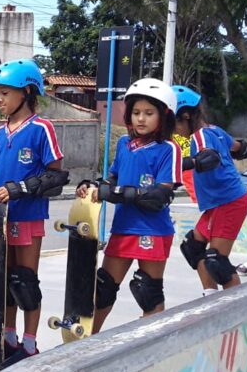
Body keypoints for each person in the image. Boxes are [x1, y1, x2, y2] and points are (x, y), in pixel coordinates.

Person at [0, 59, 68, 367]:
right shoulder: (1, 132)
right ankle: (9, 339)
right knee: (5, 282)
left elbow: (55, 177)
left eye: (4, 94)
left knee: (25, 282)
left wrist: (18, 189)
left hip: (27, 218)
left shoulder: (41, 129)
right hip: (0, 220)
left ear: (26, 92)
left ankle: (29, 344)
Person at [75, 78, 181, 332]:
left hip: (152, 230)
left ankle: (150, 344)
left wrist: (116, 192)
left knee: (149, 292)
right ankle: (90, 342)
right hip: (123, 228)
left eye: (149, 113)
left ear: (163, 116)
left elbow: (159, 196)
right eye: (136, 113)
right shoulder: (124, 144)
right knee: (104, 288)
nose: (141, 119)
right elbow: (113, 178)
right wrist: (94, 185)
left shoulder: (168, 148)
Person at [172, 86, 247, 294]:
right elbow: (240, 147)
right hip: (219, 202)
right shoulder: (215, 130)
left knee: (216, 261)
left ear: (187, 116)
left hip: (230, 202)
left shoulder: (200, 136)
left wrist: (173, 166)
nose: (172, 129)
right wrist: (242, 149)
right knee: (193, 248)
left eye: (173, 123)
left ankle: (237, 311)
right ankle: (210, 296)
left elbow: (208, 157)